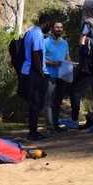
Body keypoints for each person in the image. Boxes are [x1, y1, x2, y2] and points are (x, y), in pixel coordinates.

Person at [62, 0, 93, 133]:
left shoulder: (88, 22)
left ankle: (74, 119)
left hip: (89, 63)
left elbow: (82, 42)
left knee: (76, 90)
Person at [21, 13, 53, 141]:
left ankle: (33, 131)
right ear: (47, 24)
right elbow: (36, 54)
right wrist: (41, 74)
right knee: (36, 103)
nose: (49, 30)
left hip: (28, 72)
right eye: (49, 27)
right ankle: (33, 133)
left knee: (34, 104)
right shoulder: (38, 35)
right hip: (33, 73)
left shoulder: (30, 32)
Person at [43, 20, 70, 133]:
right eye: (57, 27)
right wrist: (53, 63)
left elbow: (67, 56)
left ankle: (56, 124)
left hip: (62, 75)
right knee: (49, 101)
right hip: (50, 75)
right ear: (52, 29)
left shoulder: (64, 43)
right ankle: (50, 126)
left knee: (58, 100)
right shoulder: (45, 42)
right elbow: (41, 58)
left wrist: (71, 63)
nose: (59, 29)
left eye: (61, 27)